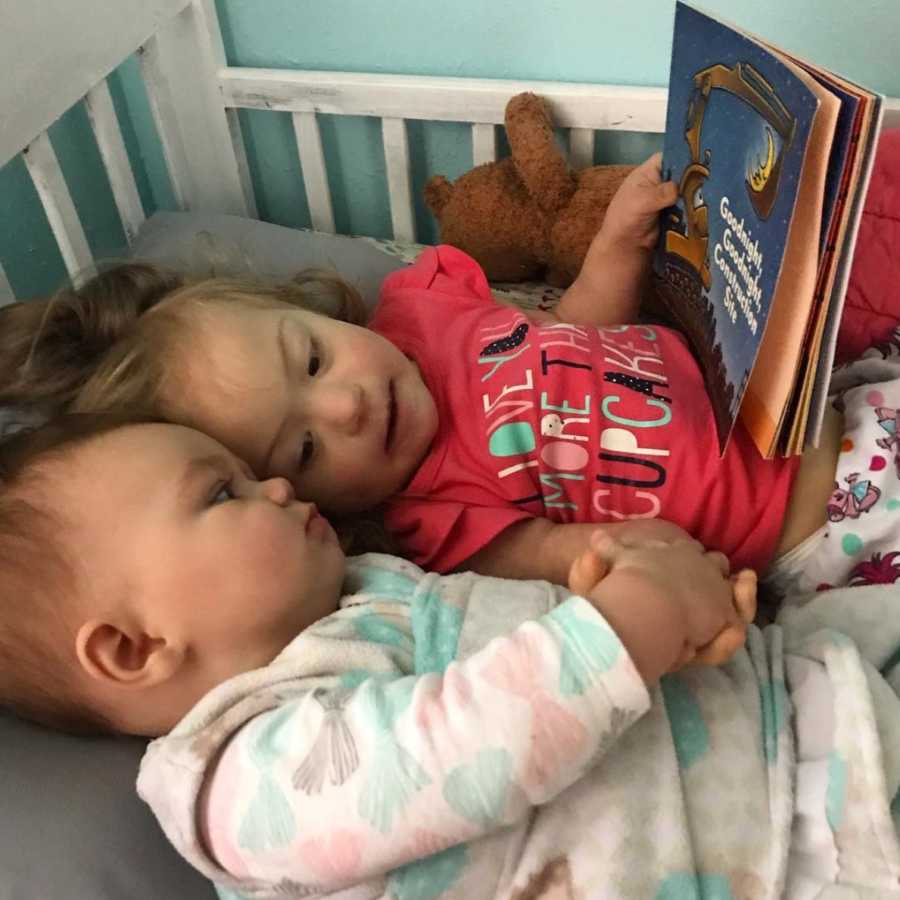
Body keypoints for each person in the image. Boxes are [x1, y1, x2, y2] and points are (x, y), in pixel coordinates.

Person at [3, 414, 900, 898]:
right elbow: (453, 749)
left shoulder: (361, 592)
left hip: (779, 706)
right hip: (799, 849)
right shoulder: (239, 785)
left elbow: (508, 647)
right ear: (133, 646)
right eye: (221, 492)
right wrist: (628, 621)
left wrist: (613, 590)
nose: (277, 483)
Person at [0, 155, 881, 590]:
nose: (345, 405)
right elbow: (560, 555)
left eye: (310, 357)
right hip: (816, 526)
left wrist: (616, 243)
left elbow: (571, 328)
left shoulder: (423, 309)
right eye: (302, 447)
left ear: (315, 311)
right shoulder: (427, 520)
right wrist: (642, 571)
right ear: (303, 499)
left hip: (816, 398)